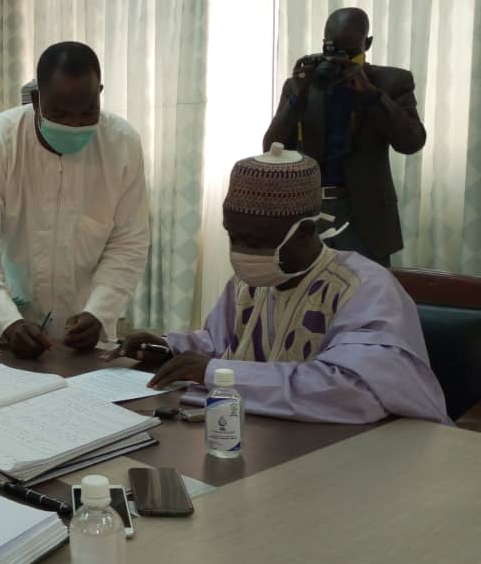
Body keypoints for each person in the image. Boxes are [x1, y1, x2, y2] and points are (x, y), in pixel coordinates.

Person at [121, 145, 448, 425]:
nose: (242, 252)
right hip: (267, 437)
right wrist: (170, 347)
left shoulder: (363, 287)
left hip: (354, 451)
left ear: (306, 231)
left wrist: (217, 372)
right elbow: (220, 344)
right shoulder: (250, 282)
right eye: (233, 236)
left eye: (255, 240)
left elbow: (353, 391)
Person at [0, 41, 150, 359]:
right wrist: (7, 321)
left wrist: (99, 312)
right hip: (11, 332)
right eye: (60, 113)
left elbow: (128, 242)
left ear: (100, 92)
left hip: (88, 337)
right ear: (36, 99)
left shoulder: (122, 145)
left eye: (88, 112)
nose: (74, 125)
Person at [262, 7, 426, 266]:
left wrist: (372, 96)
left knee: (367, 299)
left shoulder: (391, 81)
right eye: (332, 48)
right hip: (307, 212)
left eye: (349, 51)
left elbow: (412, 142)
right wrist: (297, 98)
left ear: (367, 43)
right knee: (309, 297)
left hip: (366, 214)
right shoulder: (301, 83)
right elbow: (272, 148)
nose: (339, 59)